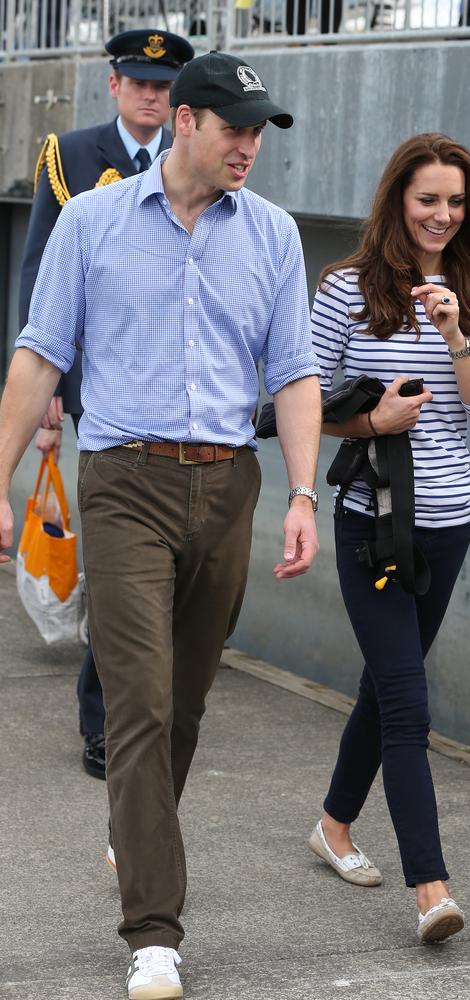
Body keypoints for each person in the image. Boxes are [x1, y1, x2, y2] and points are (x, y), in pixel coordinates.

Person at [0, 51, 322, 999]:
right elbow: (38, 358)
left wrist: (302, 495)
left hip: (229, 487)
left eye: (261, 132)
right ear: (184, 123)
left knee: (182, 704)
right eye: (235, 128)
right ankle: (154, 932)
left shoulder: (272, 234)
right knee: (137, 700)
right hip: (123, 481)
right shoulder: (92, 221)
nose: (250, 147)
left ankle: (131, 831)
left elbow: (296, 374)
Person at [308, 133, 470, 943]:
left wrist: (457, 333)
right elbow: (307, 407)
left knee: (386, 686)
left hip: (447, 524)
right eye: (428, 199)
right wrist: (373, 419)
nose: (442, 215)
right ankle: (432, 888)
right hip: (370, 520)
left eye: (456, 202)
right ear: (398, 200)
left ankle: (331, 825)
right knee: (408, 704)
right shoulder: (345, 289)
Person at [19, 28, 194, 781]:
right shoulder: (72, 158)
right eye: (139, 82)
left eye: (164, 84)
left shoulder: (201, 158)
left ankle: (152, 710)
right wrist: (49, 393)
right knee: (116, 563)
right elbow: (37, 275)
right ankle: (103, 724)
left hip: (178, 394)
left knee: (171, 569)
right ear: (114, 85)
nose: (152, 95)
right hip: (99, 391)